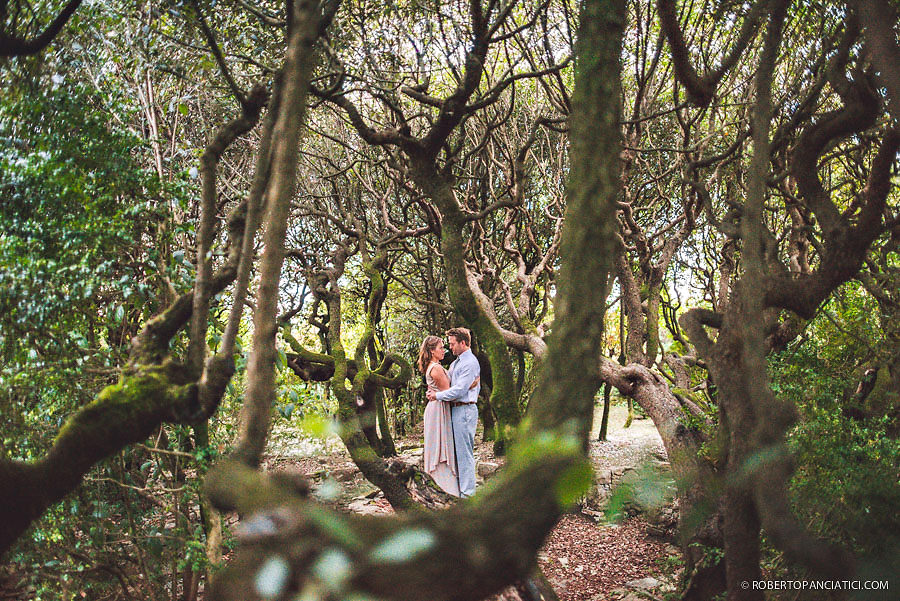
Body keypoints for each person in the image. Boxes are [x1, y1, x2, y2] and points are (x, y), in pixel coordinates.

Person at [426, 327, 480, 497]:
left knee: (464, 454)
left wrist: (437, 395)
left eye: (453, 344)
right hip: (455, 410)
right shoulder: (456, 363)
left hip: (465, 409)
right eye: (447, 344)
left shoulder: (470, 362)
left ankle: (467, 494)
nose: (450, 348)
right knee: (457, 454)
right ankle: (459, 490)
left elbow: (457, 391)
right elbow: (455, 386)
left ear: (463, 343)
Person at [418, 336, 459, 496]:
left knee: (440, 444)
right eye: (441, 347)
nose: (444, 350)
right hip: (438, 410)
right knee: (440, 446)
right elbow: (449, 393)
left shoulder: (433, 366)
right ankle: (445, 487)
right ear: (431, 351)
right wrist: (470, 384)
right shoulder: (435, 368)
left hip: (437, 407)